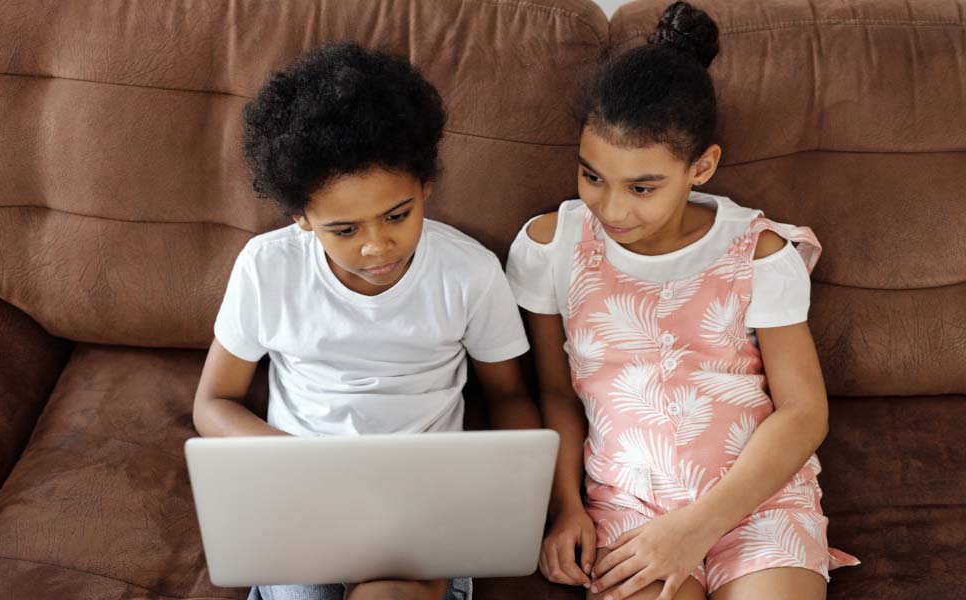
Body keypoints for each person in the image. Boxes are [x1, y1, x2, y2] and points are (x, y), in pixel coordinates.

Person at [505, 3, 859, 599]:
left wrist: (699, 526)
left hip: (756, 500)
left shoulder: (761, 251)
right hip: (628, 502)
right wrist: (564, 508)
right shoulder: (550, 246)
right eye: (592, 177)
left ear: (703, 166)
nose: (613, 210)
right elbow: (556, 392)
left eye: (643, 187)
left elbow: (803, 411)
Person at [193, 41, 541, 600]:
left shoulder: (470, 272)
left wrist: (514, 491)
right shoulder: (267, 268)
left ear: (425, 186)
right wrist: (296, 462)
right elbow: (212, 404)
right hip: (302, 494)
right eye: (345, 230)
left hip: (423, 502)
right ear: (303, 217)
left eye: (397, 216)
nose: (378, 246)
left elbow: (509, 397)